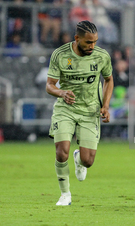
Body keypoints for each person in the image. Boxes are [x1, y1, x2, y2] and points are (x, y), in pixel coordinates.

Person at [46, 20, 114, 205]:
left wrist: (105, 106)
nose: (92, 46)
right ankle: (65, 194)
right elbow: (49, 85)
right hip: (65, 109)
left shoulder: (101, 56)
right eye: (88, 42)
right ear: (77, 39)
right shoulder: (60, 55)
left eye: (95, 42)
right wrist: (61, 92)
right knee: (61, 153)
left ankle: (79, 158)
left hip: (90, 110)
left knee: (88, 161)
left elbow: (108, 80)